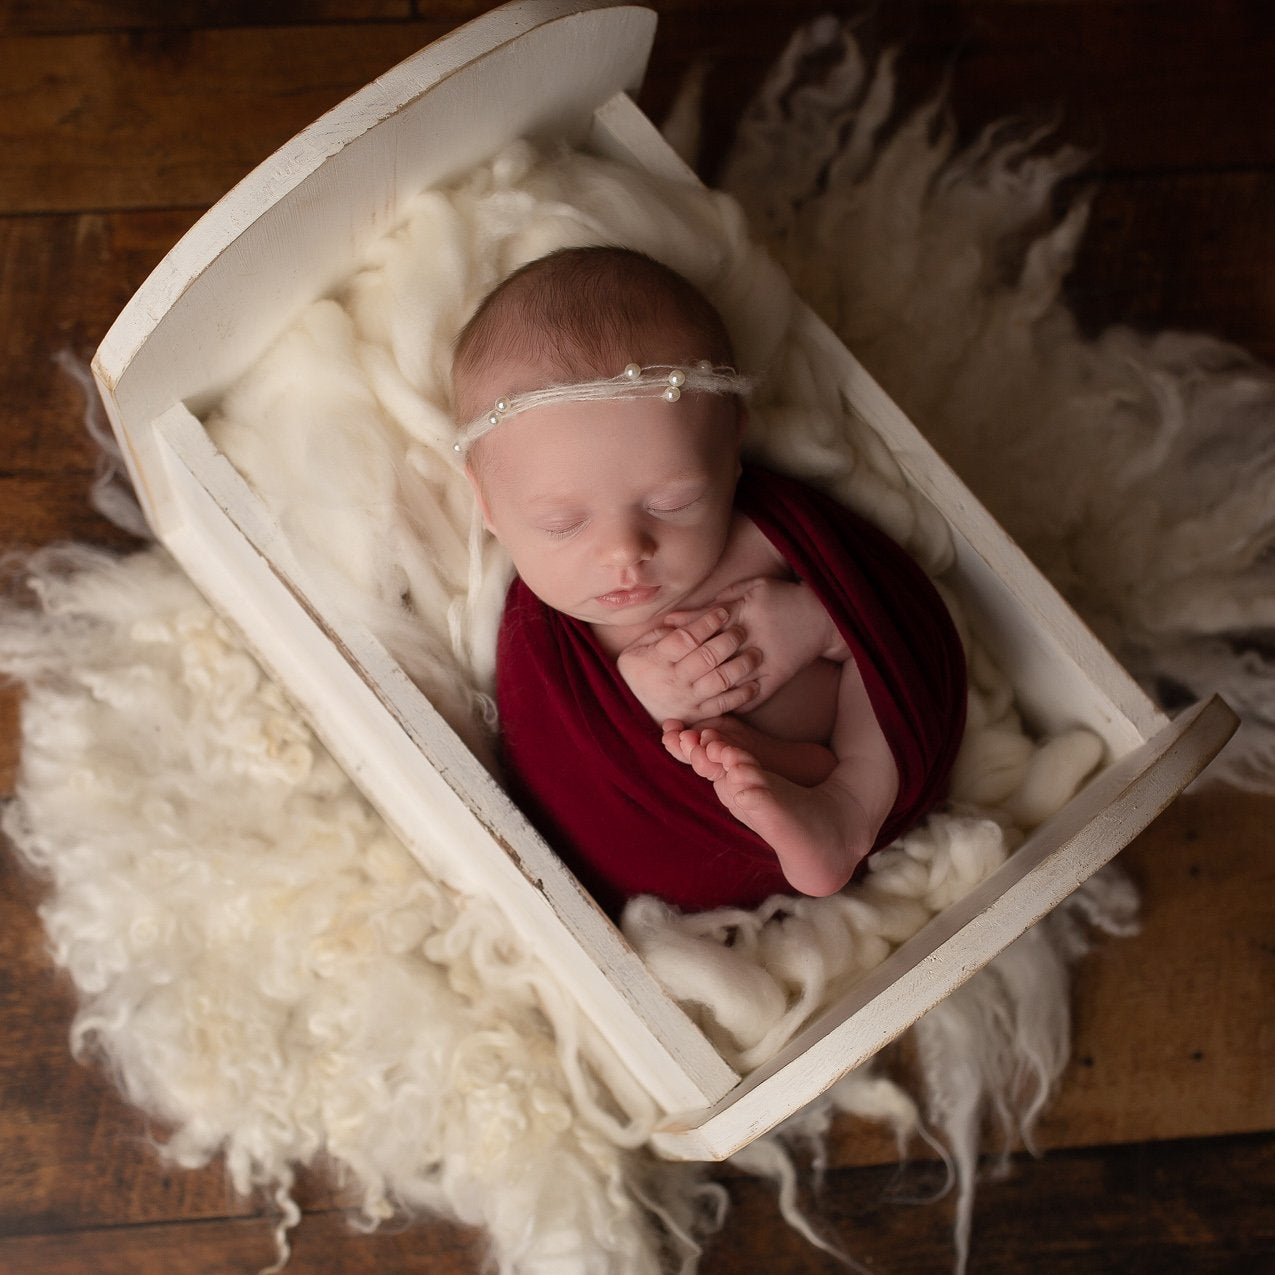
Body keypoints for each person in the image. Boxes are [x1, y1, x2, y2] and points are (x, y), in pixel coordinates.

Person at [451, 245, 965, 914]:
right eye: (559, 523)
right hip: (682, 835)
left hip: (845, 762)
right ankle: (797, 780)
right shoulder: (547, 635)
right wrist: (638, 692)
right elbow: (550, 741)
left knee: (885, 678)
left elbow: (892, 608)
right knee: (725, 761)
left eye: (672, 503)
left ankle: (851, 803)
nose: (624, 552)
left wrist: (813, 620)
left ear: (730, 454)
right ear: (488, 506)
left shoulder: (765, 538)